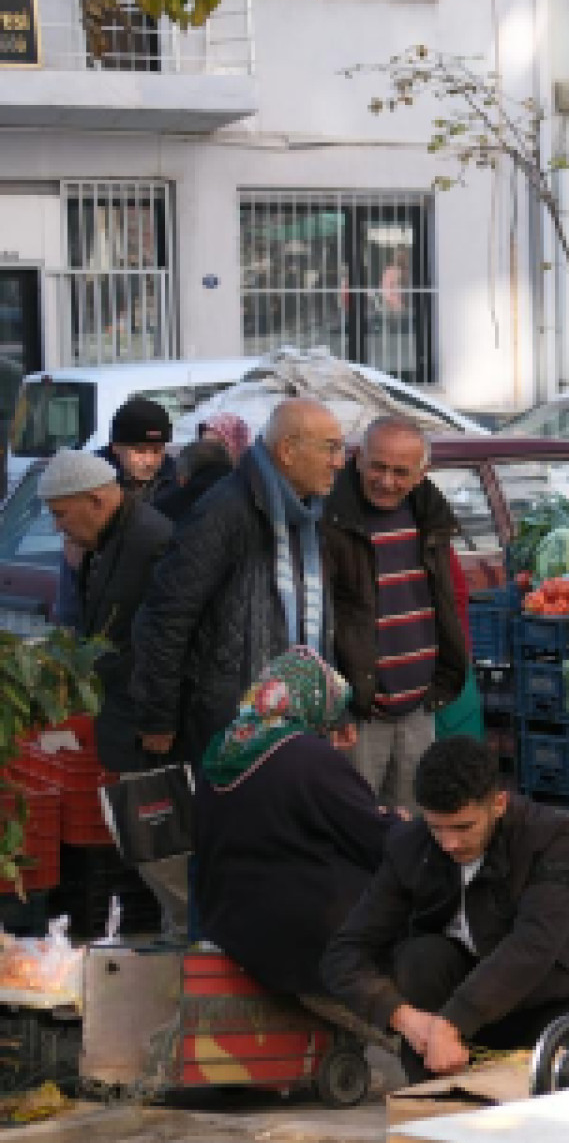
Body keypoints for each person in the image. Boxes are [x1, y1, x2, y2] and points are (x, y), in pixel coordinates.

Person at [322, 735, 569, 1082]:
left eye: (463, 827)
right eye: (437, 828)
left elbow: (534, 944)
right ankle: (431, 1093)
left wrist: (452, 1022)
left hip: (548, 1000)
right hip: (448, 1021)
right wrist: (405, 1018)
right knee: (421, 956)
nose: (450, 843)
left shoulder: (549, 837)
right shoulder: (409, 847)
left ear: (499, 803)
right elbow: (345, 954)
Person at [129, 397, 346, 765]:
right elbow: (168, 615)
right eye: (331, 449)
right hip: (230, 721)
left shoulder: (310, 512)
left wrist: (335, 708)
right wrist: (158, 717)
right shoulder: (226, 508)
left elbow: (323, 618)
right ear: (288, 451)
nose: (339, 462)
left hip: (294, 720)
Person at [191, 650, 395, 994]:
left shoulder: (224, 748)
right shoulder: (308, 758)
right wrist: (394, 820)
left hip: (228, 925)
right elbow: (375, 839)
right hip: (299, 944)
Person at [39, 453, 177, 938]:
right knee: (140, 851)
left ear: (96, 500)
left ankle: (166, 944)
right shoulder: (106, 540)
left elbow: (160, 641)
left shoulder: (150, 541)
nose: (58, 529)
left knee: (160, 856)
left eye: (61, 515)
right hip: (126, 723)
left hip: (149, 727)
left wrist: (157, 718)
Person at [324, 417, 467, 807]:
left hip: (419, 705)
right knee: (355, 824)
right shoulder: (330, 519)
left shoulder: (429, 517)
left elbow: (449, 598)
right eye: (378, 466)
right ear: (358, 459)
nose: (386, 481)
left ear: (422, 474)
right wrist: (339, 706)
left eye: (400, 472)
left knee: (414, 826)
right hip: (357, 711)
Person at [152, 413, 250, 526]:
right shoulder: (183, 478)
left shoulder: (232, 487)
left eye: (216, 444)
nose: (203, 449)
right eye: (202, 441)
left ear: (234, 446)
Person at [100, 397, 180, 511]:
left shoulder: (175, 476)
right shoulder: (91, 483)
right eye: (139, 451)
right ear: (115, 448)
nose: (149, 461)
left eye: (157, 450)